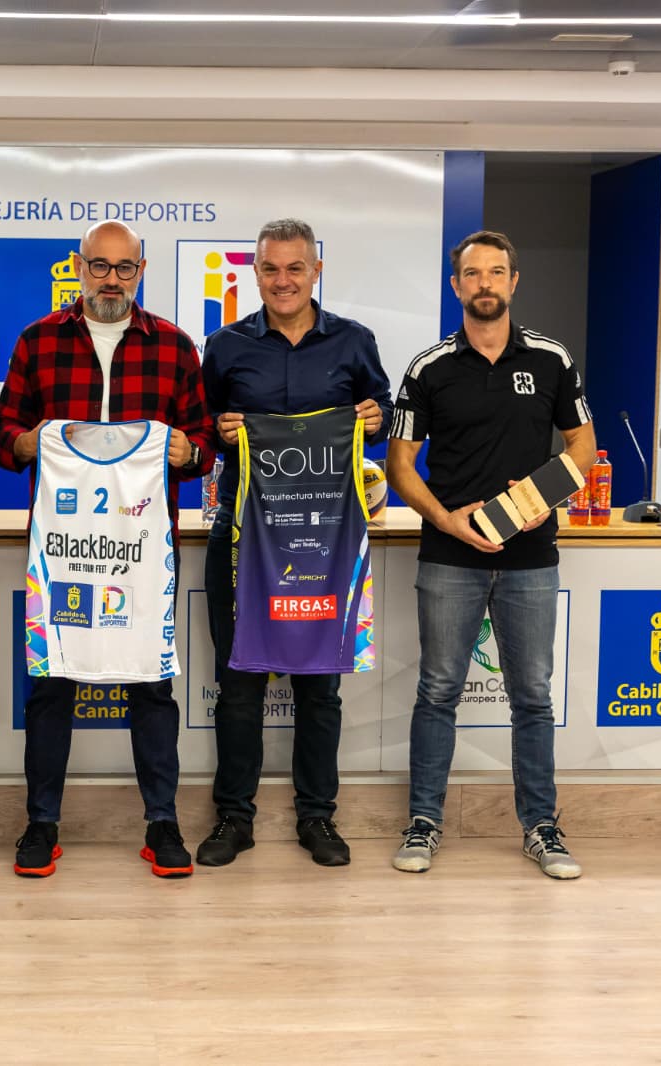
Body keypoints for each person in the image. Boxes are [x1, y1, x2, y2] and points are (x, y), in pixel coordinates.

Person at [0, 219, 214, 880]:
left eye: (124, 268)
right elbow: (5, 436)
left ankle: (162, 822)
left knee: (152, 685)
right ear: (79, 267)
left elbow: (205, 443)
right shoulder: (38, 341)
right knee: (50, 685)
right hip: (63, 550)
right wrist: (32, 441)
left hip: (145, 553)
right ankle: (41, 823)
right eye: (99, 266)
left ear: (141, 271)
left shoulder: (174, 345)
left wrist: (187, 452)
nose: (111, 280)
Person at [386, 229, 596, 880]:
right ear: (456, 286)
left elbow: (583, 448)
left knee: (532, 696)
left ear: (514, 281)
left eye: (496, 272)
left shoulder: (552, 359)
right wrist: (446, 520)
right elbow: (399, 465)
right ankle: (424, 822)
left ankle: (541, 828)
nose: (485, 283)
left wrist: (542, 497)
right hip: (450, 557)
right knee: (437, 692)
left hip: (531, 556)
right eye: (473, 274)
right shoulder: (428, 368)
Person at [198, 218, 393, 869]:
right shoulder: (224, 346)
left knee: (318, 687)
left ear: (316, 271)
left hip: (326, 540)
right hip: (240, 536)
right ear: (255, 273)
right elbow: (198, 428)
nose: (283, 280)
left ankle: (318, 817)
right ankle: (234, 818)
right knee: (239, 683)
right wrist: (220, 430)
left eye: (295, 268)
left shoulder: (354, 342)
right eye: (271, 268)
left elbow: (385, 415)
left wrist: (375, 419)